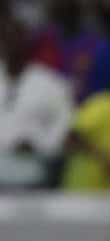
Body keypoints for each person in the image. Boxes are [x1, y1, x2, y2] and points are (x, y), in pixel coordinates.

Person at [0, 15, 74, 189]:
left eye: (16, 38)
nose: (11, 44)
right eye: (6, 38)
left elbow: (64, 123)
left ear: (26, 43)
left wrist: (39, 145)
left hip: (34, 173)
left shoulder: (51, 83)